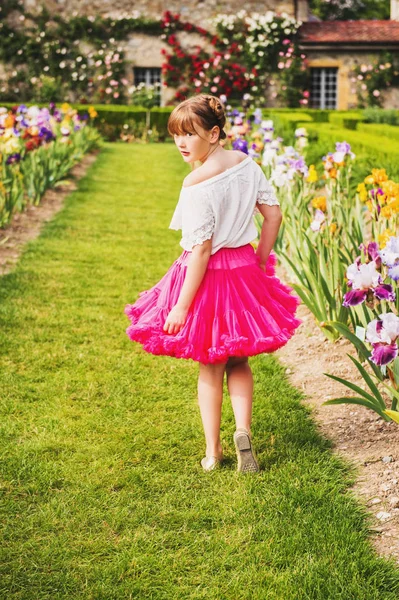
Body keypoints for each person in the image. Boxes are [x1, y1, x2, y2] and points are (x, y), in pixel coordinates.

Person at [124, 94, 302, 474]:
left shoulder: (196, 183)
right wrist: (260, 258)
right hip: (243, 269)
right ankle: (243, 430)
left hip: (208, 279)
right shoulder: (247, 164)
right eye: (176, 136)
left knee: (210, 363)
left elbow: (201, 250)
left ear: (215, 132)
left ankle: (213, 451)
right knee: (239, 358)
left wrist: (181, 306)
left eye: (189, 134)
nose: (181, 143)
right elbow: (273, 215)